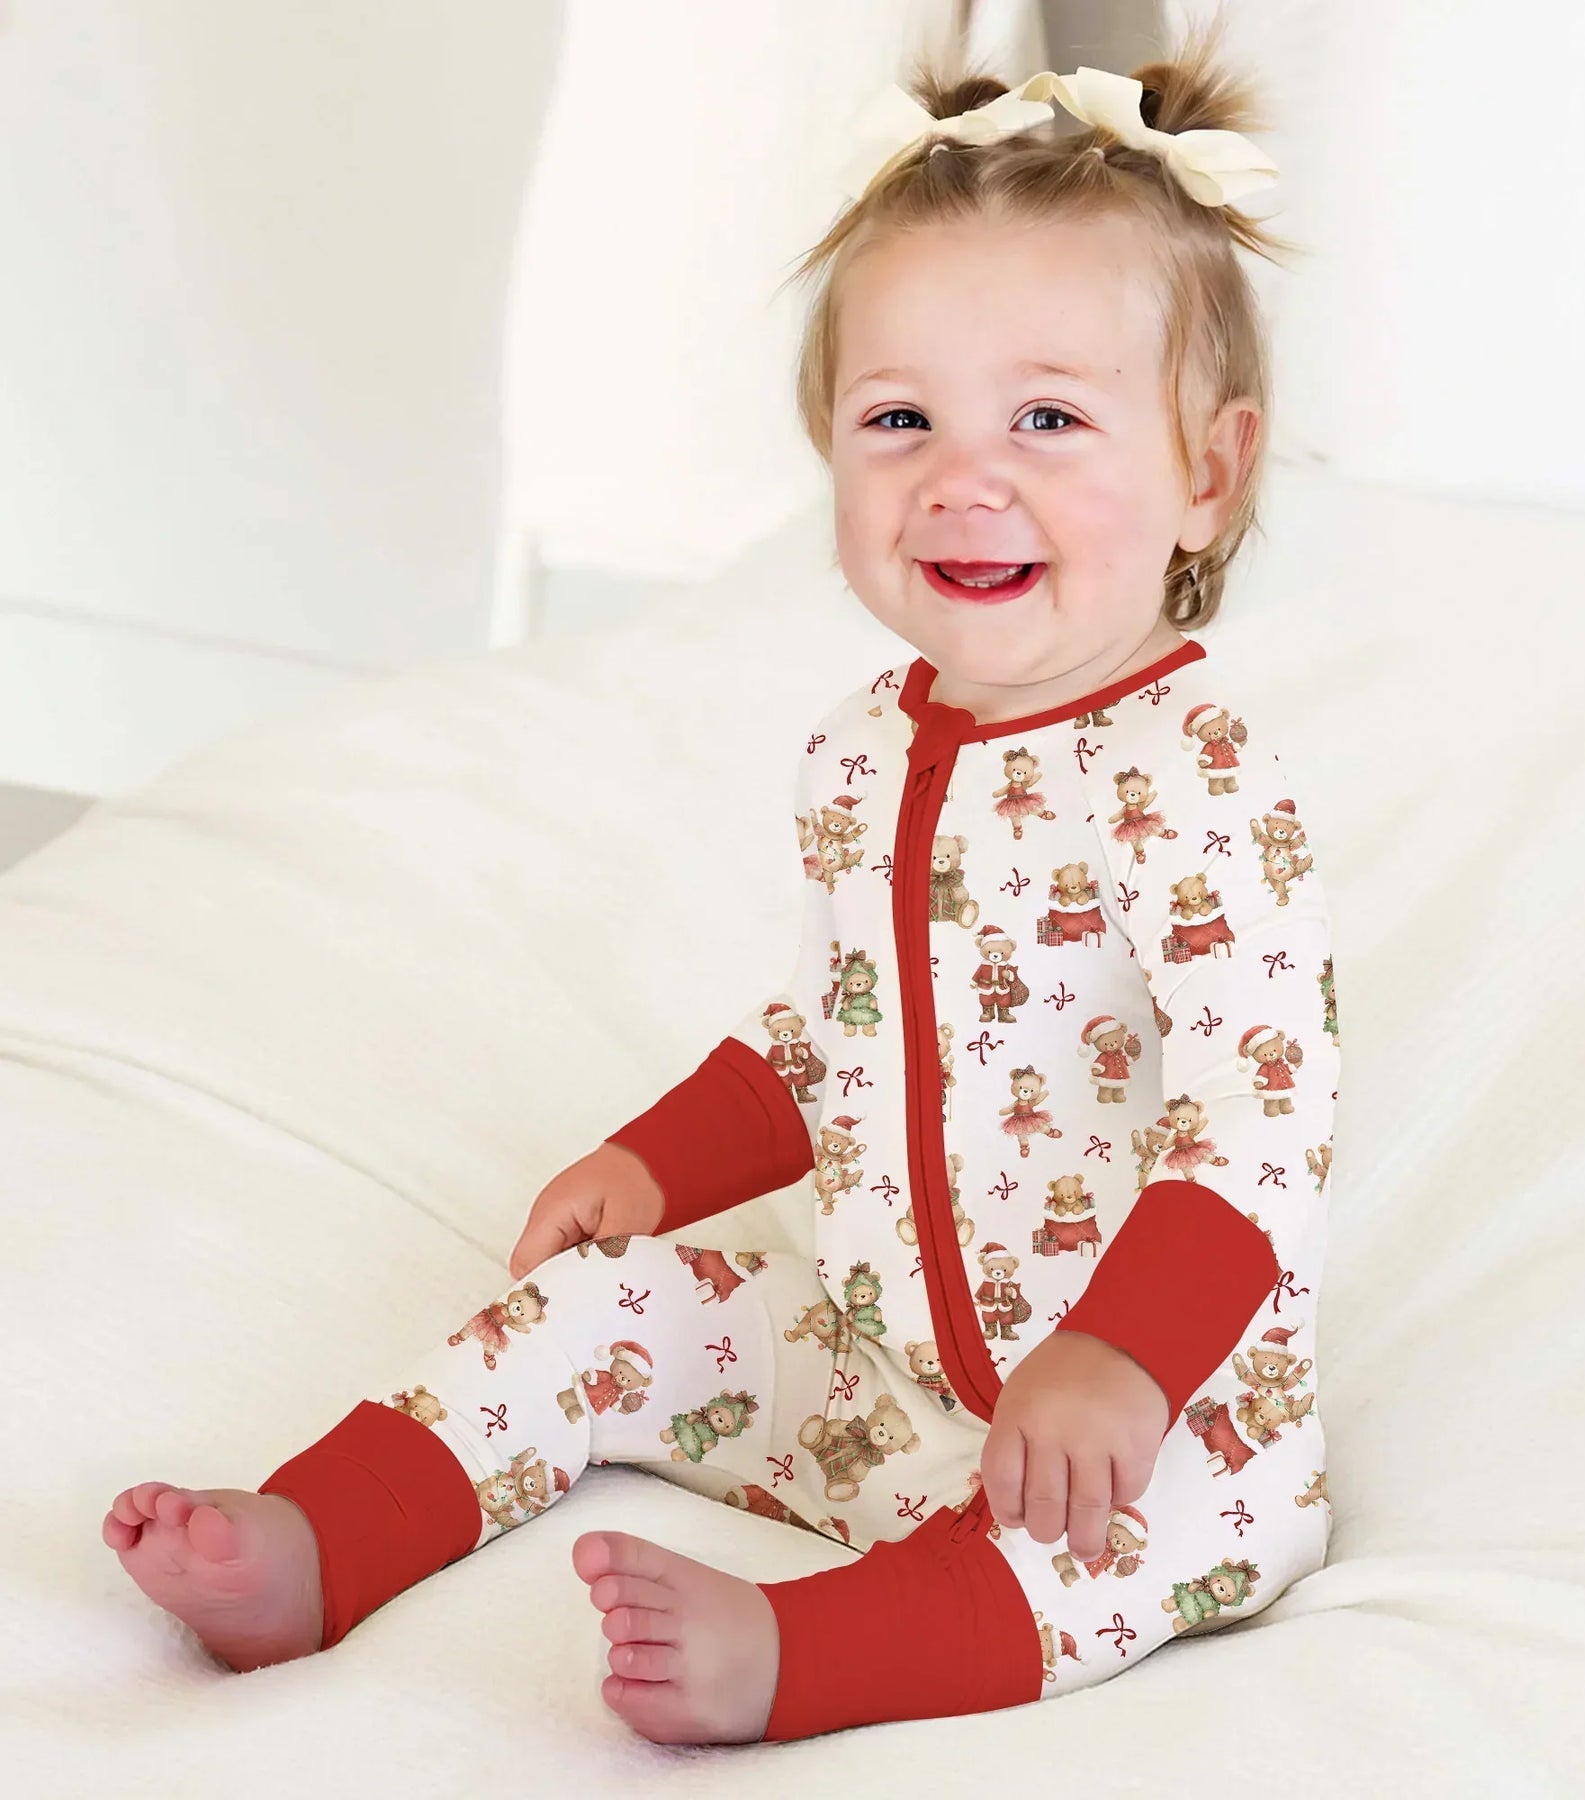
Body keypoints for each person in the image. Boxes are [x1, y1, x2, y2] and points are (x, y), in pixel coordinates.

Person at [103, 22, 1342, 1745]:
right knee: (598, 1309)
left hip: (1144, 1429)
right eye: (899, 417)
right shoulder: (863, 748)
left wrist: (1122, 1355)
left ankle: (789, 1657)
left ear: (1207, 472)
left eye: (1050, 418)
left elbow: (1261, 1115)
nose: (963, 475)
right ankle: (323, 1537)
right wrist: (656, 1160)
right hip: (877, 1371)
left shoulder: (1193, 776)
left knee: (1129, 1549)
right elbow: (834, 1031)